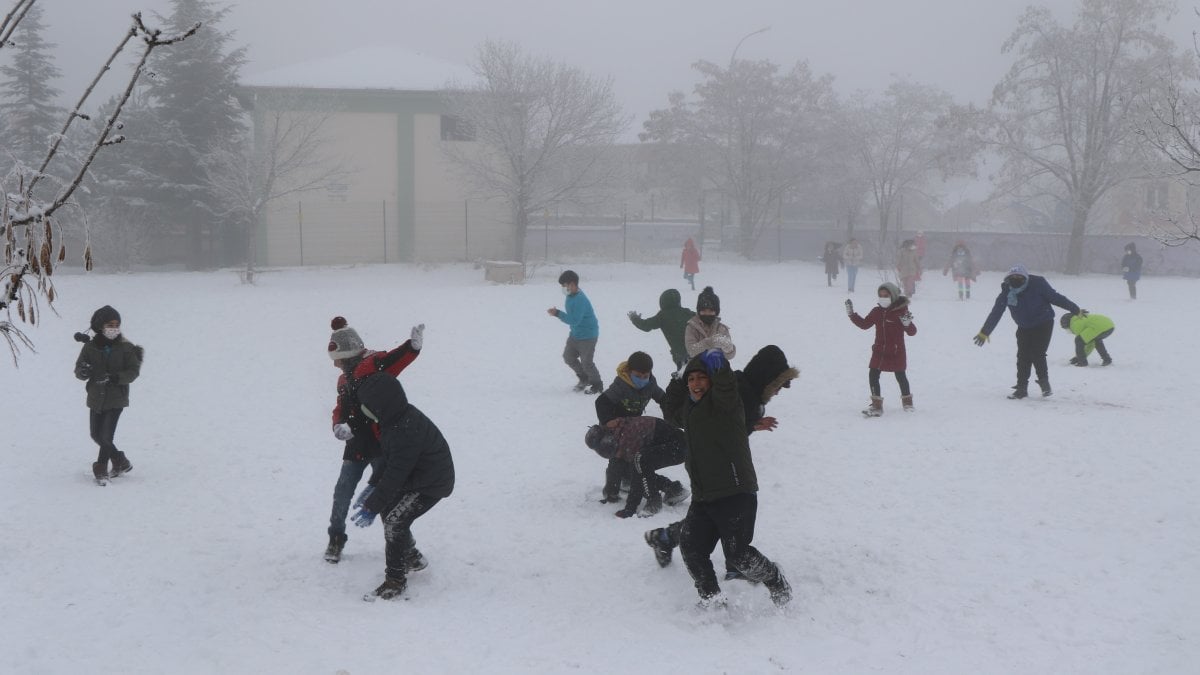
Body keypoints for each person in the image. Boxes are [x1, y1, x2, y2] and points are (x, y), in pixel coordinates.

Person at [657, 349, 791, 608]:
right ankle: (712, 598)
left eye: (702, 378)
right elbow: (670, 410)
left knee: (738, 555)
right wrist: (677, 378)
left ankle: (775, 579)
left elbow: (727, 388)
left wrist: (720, 367)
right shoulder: (689, 410)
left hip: (735, 490)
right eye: (691, 380)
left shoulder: (725, 403)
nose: (696, 384)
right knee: (691, 546)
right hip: (704, 493)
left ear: (711, 381)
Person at [323, 316, 424, 564]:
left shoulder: (374, 364)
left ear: (349, 354)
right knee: (342, 492)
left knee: (386, 497)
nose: (336, 367)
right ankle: (336, 538)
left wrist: (412, 347)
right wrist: (338, 424)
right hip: (356, 445)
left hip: (382, 444)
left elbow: (396, 358)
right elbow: (341, 407)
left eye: (339, 361)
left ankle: (407, 548)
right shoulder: (343, 379)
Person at [352, 372, 455, 601]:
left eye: (367, 406)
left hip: (432, 483)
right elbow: (388, 460)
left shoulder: (405, 429)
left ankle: (395, 581)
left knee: (394, 521)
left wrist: (373, 503)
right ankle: (411, 556)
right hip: (415, 476)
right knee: (389, 510)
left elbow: (395, 476)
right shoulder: (394, 420)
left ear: (381, 405)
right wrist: (372, 487)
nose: (364, 410)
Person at [974, 264, 1082, 399]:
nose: (1016, 279)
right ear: (1008, 279)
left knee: (1037, 353)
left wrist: (1075, 309)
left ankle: (1044, 383)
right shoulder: (1007, 292)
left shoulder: (1038, 285)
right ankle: (1021, 388)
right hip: (1024, 326)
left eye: (1019, 277)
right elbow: (996, 312)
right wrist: (985, 332)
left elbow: (1056, 298)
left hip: (1043, 322)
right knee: (1023, 356)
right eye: (1013, 277)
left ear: (1025, 278)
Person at [73, 305, 143, 485]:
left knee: (105, 437)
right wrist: (84, 371)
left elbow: (133, 371)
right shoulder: (89, 347)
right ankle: (120, 461)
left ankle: (101, 469)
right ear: (100, 326)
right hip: (96, 397)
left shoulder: (126, 348)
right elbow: (79, 370)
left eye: (116, 324)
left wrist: (116, 378)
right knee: (96, 435)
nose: (114, 328)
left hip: (116, 397)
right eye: (109, 324)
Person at [595, 351, 666, 504]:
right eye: (638, 376)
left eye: (645, 376)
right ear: (629, 372)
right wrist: (608, 421)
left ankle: (627, 481)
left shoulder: (650, 384)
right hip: (617, 427)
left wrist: (672, 412)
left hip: (635, 428)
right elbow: (601, 402)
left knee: (633, 457)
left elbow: (663, 399)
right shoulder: (621, 385)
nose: (642, 380)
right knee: (617, 458)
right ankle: (611, 492)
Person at [584, 417, 689, 518]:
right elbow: (615, 464)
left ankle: (654, 501)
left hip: (680, 447)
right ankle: (674, 488)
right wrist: (610, 495)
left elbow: (637, 476)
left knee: (639, 461)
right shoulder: (615, 432)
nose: (616, 454)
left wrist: (630, 508)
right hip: (668, 444)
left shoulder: (628, 436)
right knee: (629, 465)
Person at [846, 283, 917, 416]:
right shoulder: (876, 312)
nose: (883, 298)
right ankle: (876, 405)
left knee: (900, 376)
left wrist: (908, 324)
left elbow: (912, 332)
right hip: (879, 350)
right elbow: (864, 324)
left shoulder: (901, 312)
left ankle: (908, 403)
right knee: (873, 374)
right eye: (880, 295)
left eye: (886, 295)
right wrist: (852, 314)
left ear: (893, 296)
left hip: (896, 350)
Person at [547, 270, 602, 394]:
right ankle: (584, 378)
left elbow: (575, 320)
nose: (563, 288)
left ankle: (597, 384)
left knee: (587, 362)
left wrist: (558, 314)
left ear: (572, 284)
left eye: (564, 285)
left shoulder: (580, 299)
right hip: (575, 334)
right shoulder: (570, 296)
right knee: (568, 357)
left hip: (588, 335)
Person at [627, 289, 695, 370]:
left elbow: (646, 326)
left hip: (681, 356)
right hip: (696, 351)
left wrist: (635, 318)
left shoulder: (662, 316)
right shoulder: (686, 312)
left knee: (685, 377)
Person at [684, 286, 735, 362]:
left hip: (717, 367)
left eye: (711, 311)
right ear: (698, 311)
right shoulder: (691, 327)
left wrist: (728, 348)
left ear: (716, 312)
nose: (707, 314)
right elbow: (692, 351)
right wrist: (710, 342)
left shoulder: (722, 328)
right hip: (696, 367)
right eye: (704, 311)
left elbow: (729, 355)